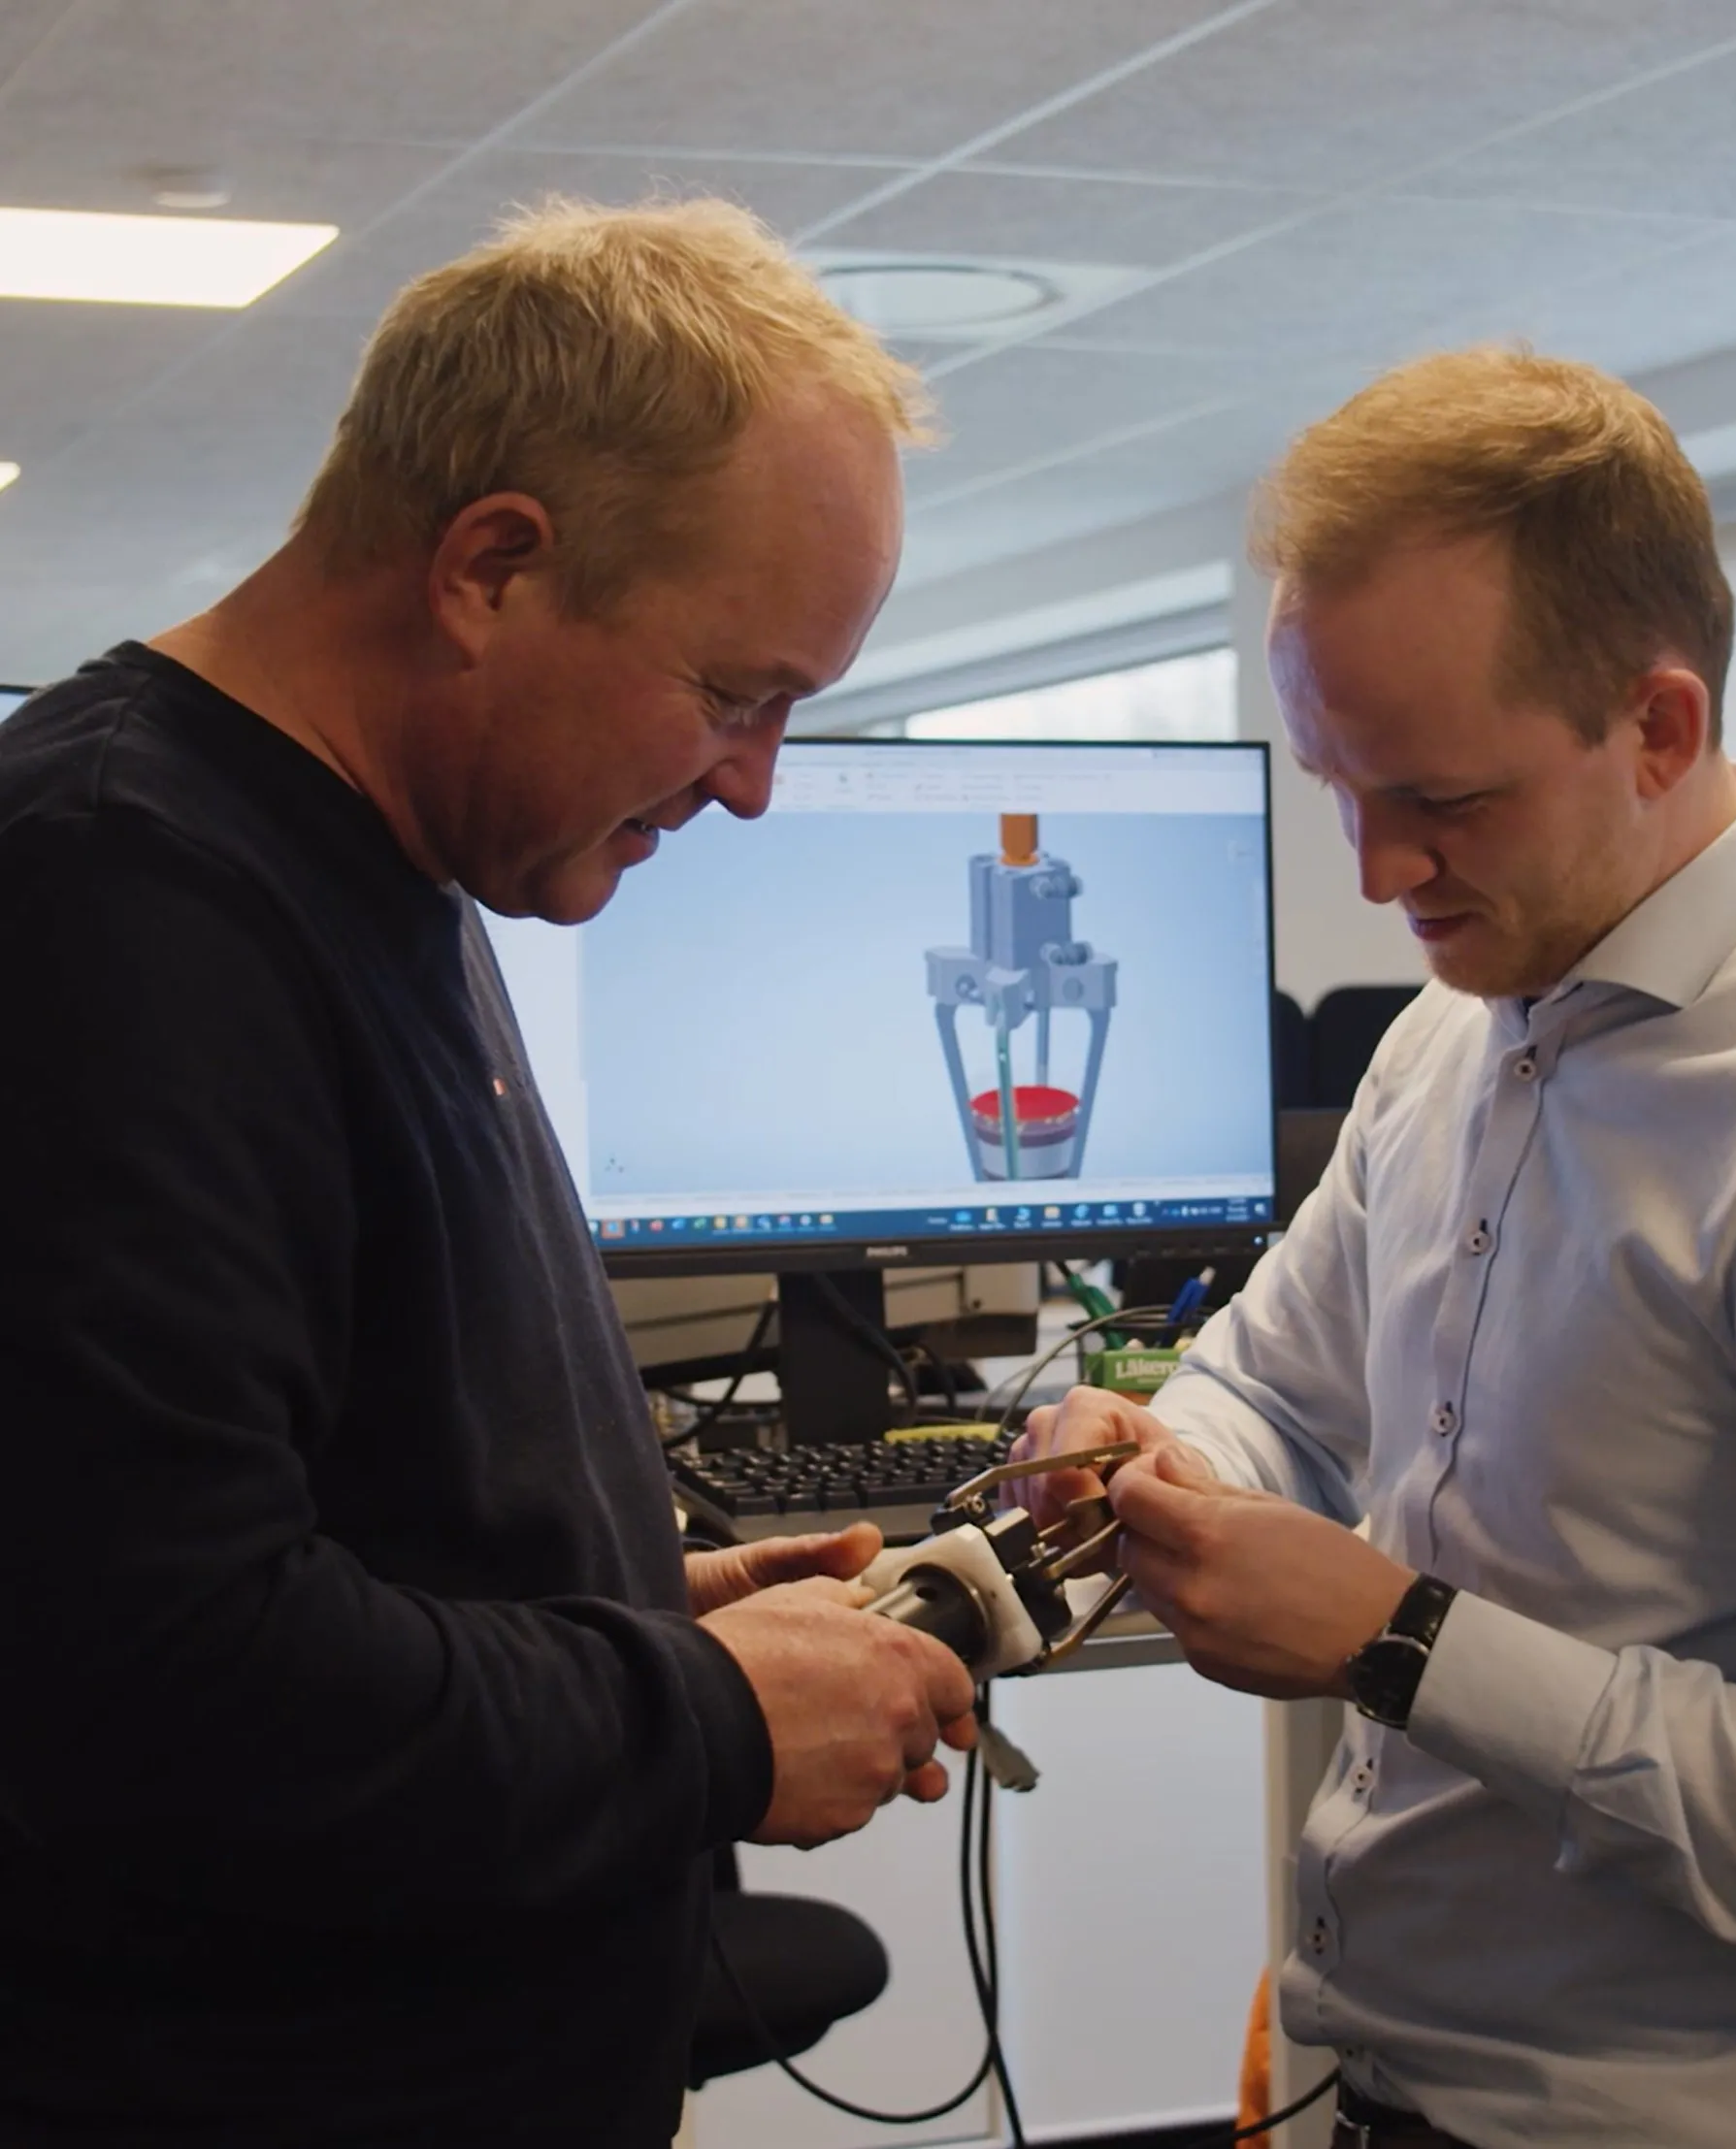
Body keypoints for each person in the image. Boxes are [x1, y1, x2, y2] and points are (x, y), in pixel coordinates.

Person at [1019, 349, 1736, 2149]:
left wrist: (1399, 1638)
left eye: (1442, 802)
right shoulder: (1464, 1022)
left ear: (1660, 727)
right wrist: (1154, 1454)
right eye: (1336, 783)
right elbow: (1273, 1384)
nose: (1380, 869)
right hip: (1372, 2078)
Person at [0, 199, 976, 2148]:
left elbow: (322, 1512)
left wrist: (627, 1602)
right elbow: (162, 1679)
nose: (755, 780)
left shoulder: (392, 865)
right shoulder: (114, 901)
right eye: (731, 691)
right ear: (494, 570)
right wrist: (700, 1719)